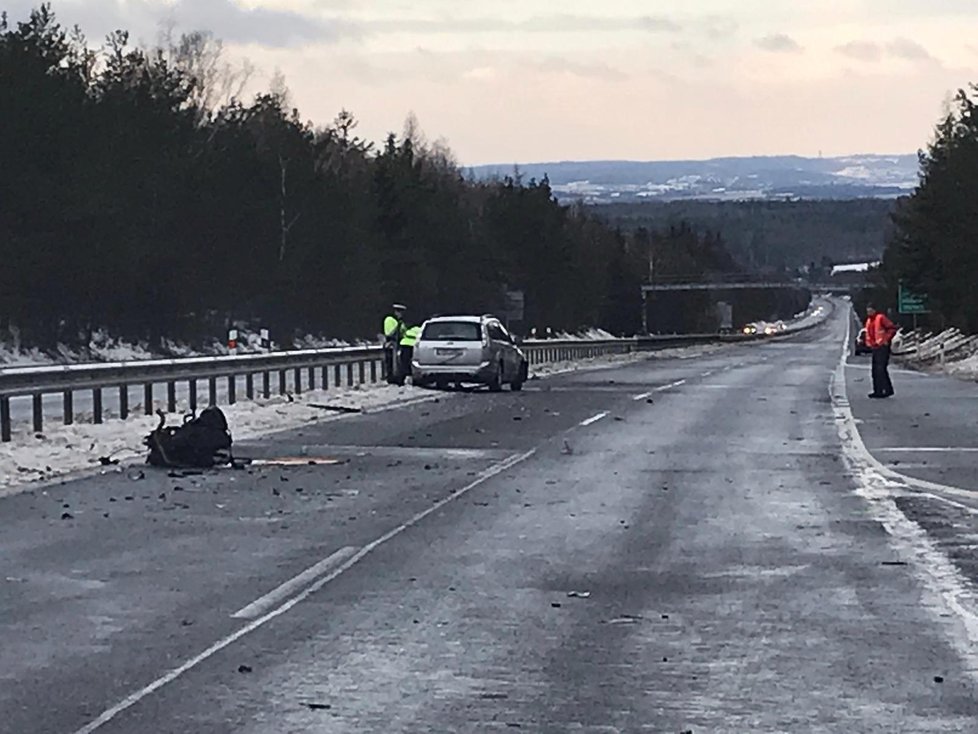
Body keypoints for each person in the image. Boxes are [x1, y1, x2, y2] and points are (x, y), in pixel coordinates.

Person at [864, 303, 898, 399]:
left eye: (870, 311)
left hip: (882, 347)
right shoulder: (869, 320)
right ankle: (878, 390)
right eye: (867, 311)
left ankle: (886, 390)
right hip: (875, 347)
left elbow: (892, 328)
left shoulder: (881, 318)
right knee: (875, 370)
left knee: (881, 369)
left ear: (875, 310)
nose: (869, 313)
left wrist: (886, 340)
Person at [383, 304, 407, 384]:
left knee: (398, 362)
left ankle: (397, 378)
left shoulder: (400, 321)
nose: (401, 314)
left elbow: (404, 332)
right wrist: (398, 326)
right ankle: (391, 378)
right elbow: (390, 333)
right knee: (390, 362)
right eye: (399, 312)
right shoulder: (389, 320)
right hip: (391, 345)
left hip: (399, 345)